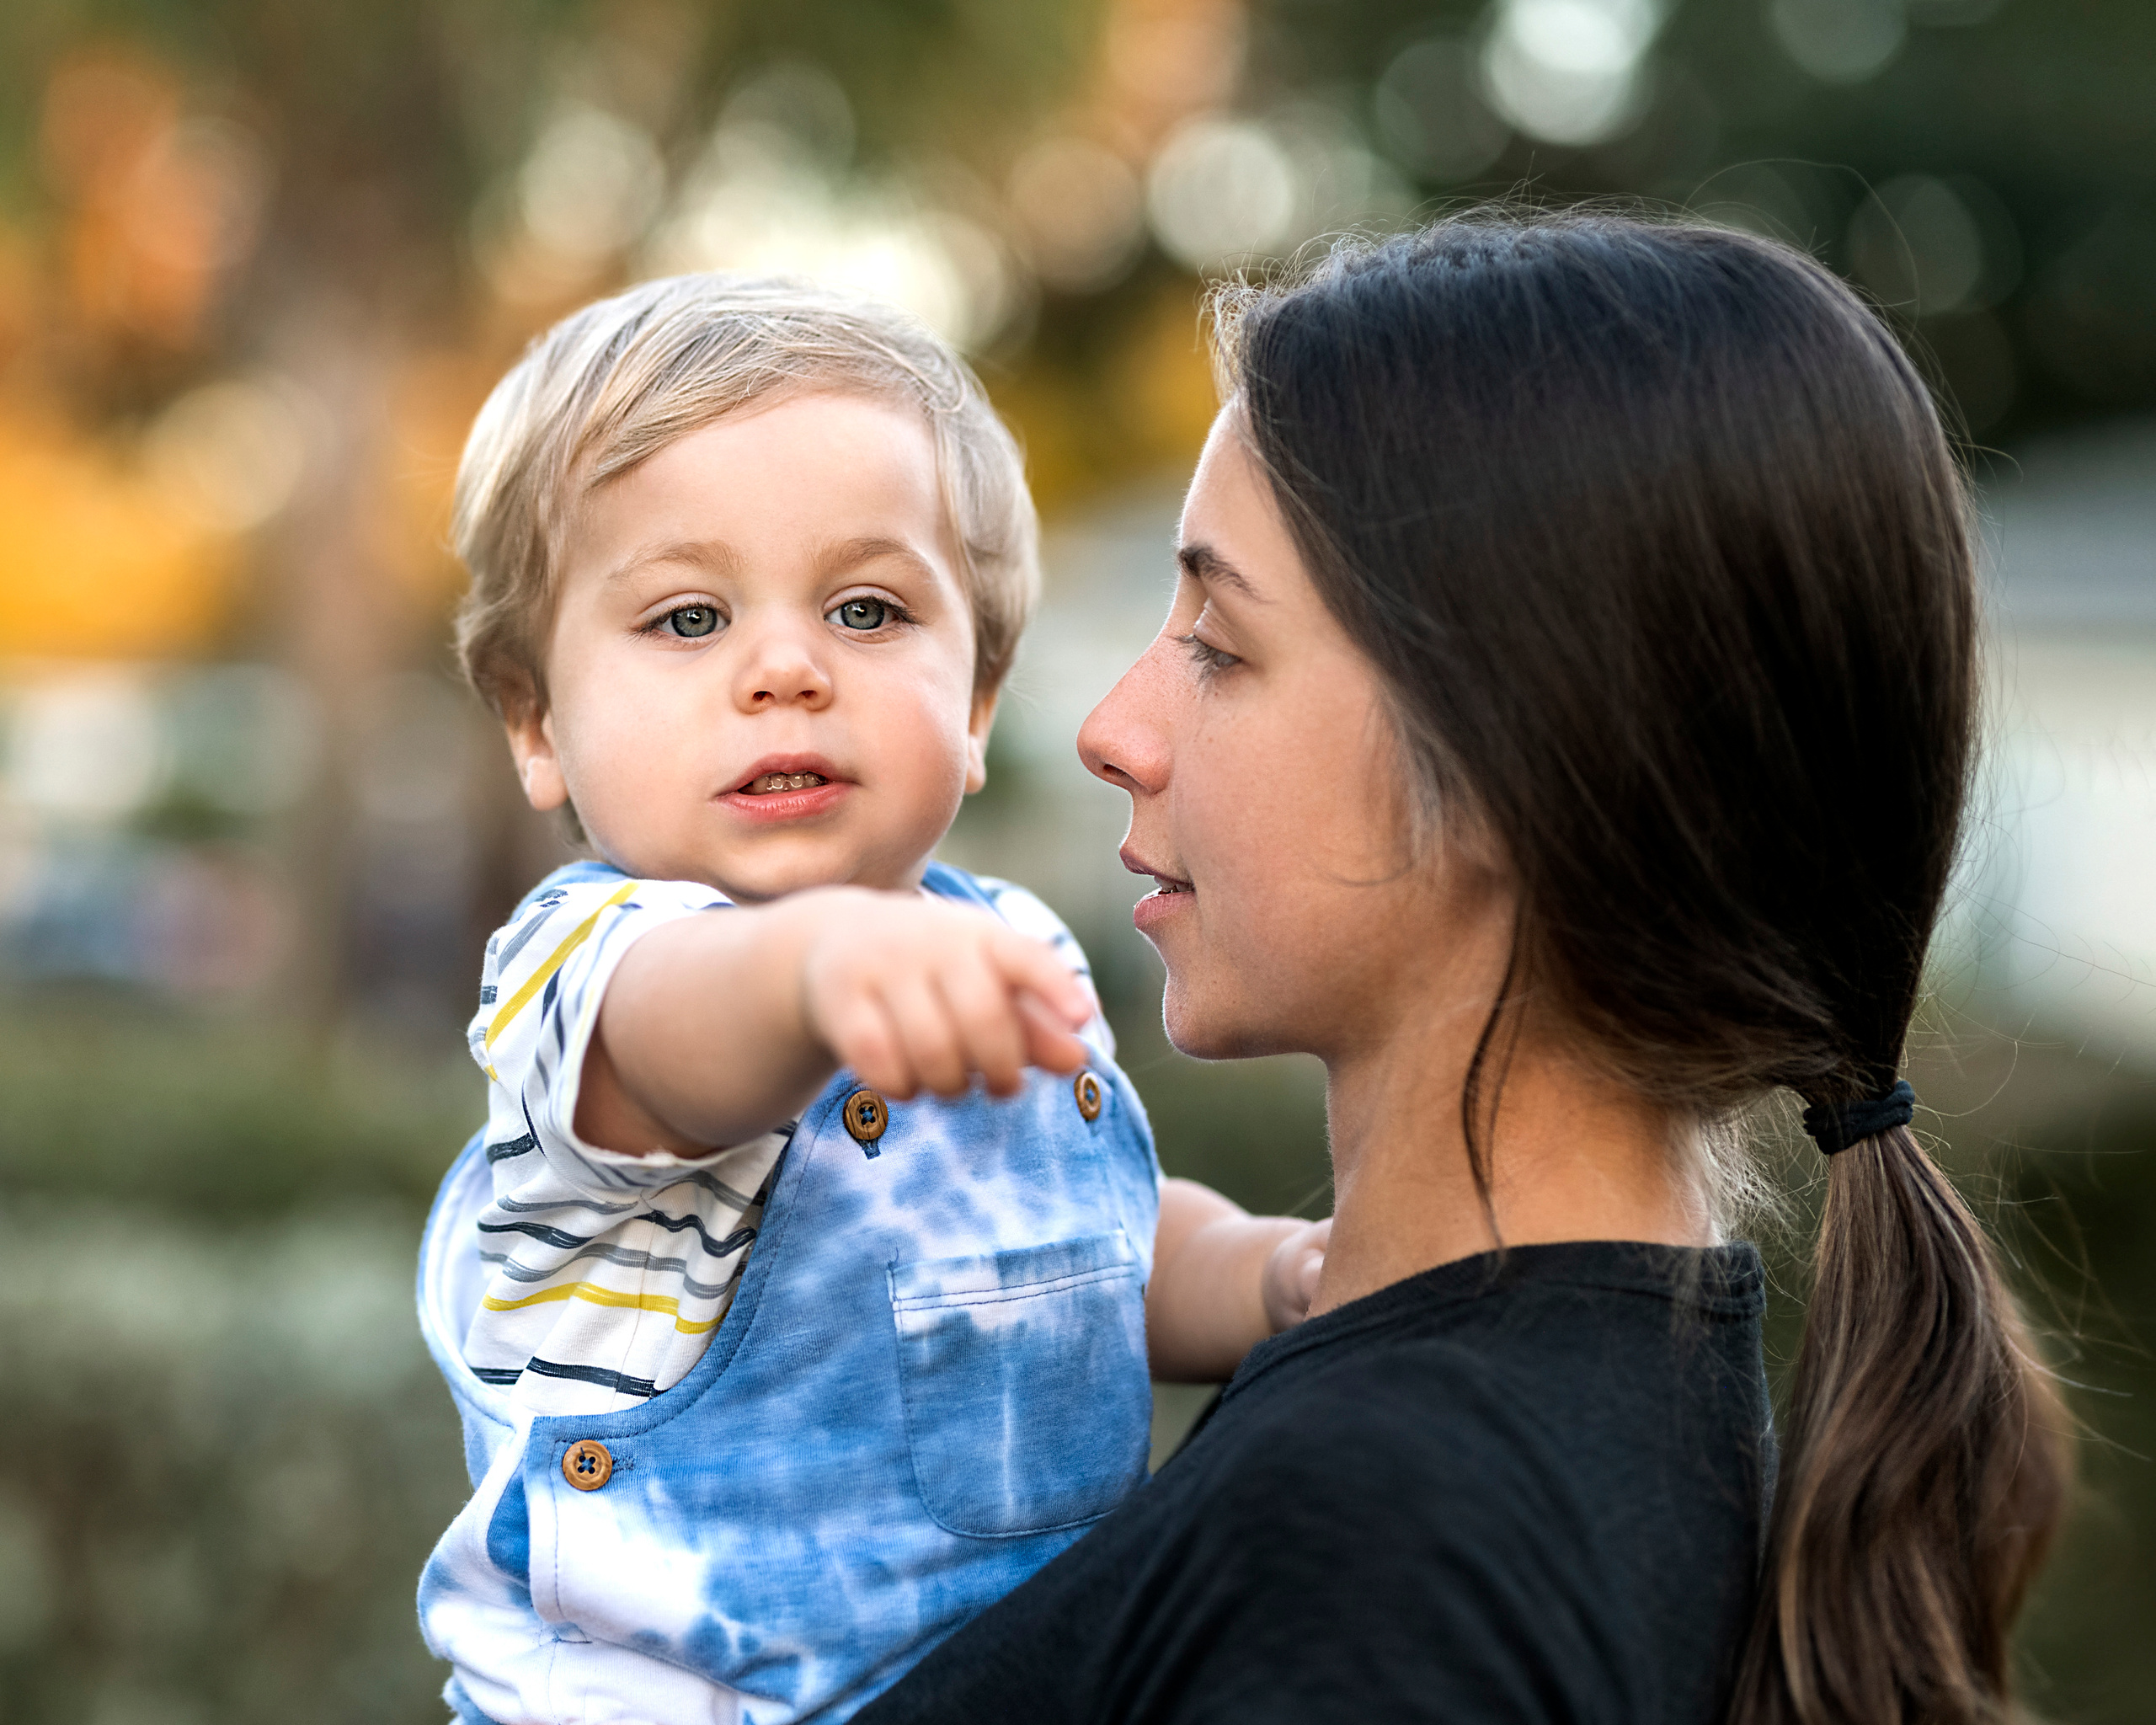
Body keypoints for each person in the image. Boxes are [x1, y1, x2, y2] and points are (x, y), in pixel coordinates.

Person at [857, 212, 2070, 1725]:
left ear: (1521, 768)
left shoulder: (1393, 1532)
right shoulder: (1566, 1421)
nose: (1113, 726)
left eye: (1219, 646)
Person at [411, 275, 1331, 1725]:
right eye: (688, 616)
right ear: (539, 721)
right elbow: (685, 1042)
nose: (785, 669)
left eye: (865, 607)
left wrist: (1275, 1277)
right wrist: (819, 971)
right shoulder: (586, 960)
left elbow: (1088, 1263)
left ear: (973, 706)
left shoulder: (1008, 943)